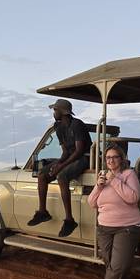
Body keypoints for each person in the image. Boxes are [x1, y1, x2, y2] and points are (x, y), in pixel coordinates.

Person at [87, 142, 140, 279]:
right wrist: (99, 185)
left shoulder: (128, 174)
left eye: (114, 157)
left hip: (127, 227)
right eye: (108, 157)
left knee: (118, 266)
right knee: (116, 267)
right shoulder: (103, 176)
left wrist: (115, 180)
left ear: (122, 159)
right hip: (104, 228)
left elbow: (133, 198)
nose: (110, 160)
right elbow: (91, 203)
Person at [28, 98, 92, 237]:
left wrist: (61, 166)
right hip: (71, 156)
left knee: (62, 176)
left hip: (84, 158)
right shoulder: (58, 127)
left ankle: (69, 220)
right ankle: (42, 212)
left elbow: (79, 151)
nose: (53, 112)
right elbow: (65, 152)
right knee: (42, 175)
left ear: (62, 111)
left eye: (55, 109)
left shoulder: (77, 125)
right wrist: (58, 164)